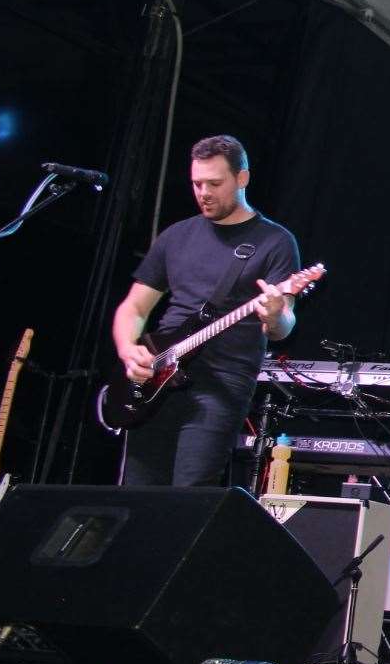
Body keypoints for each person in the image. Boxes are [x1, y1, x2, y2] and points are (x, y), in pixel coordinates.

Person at [112, 135, 300, 487]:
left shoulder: (274, 242)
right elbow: (134, 306)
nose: (204, 193)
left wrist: (275, 313)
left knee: (189, 497)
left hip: (221, 386)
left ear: (241, 179)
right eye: (197, 184)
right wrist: (128, 350)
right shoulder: (176, 236)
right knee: (137, 496)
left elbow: (283, 326)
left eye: (215, 183)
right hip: (156, 377)